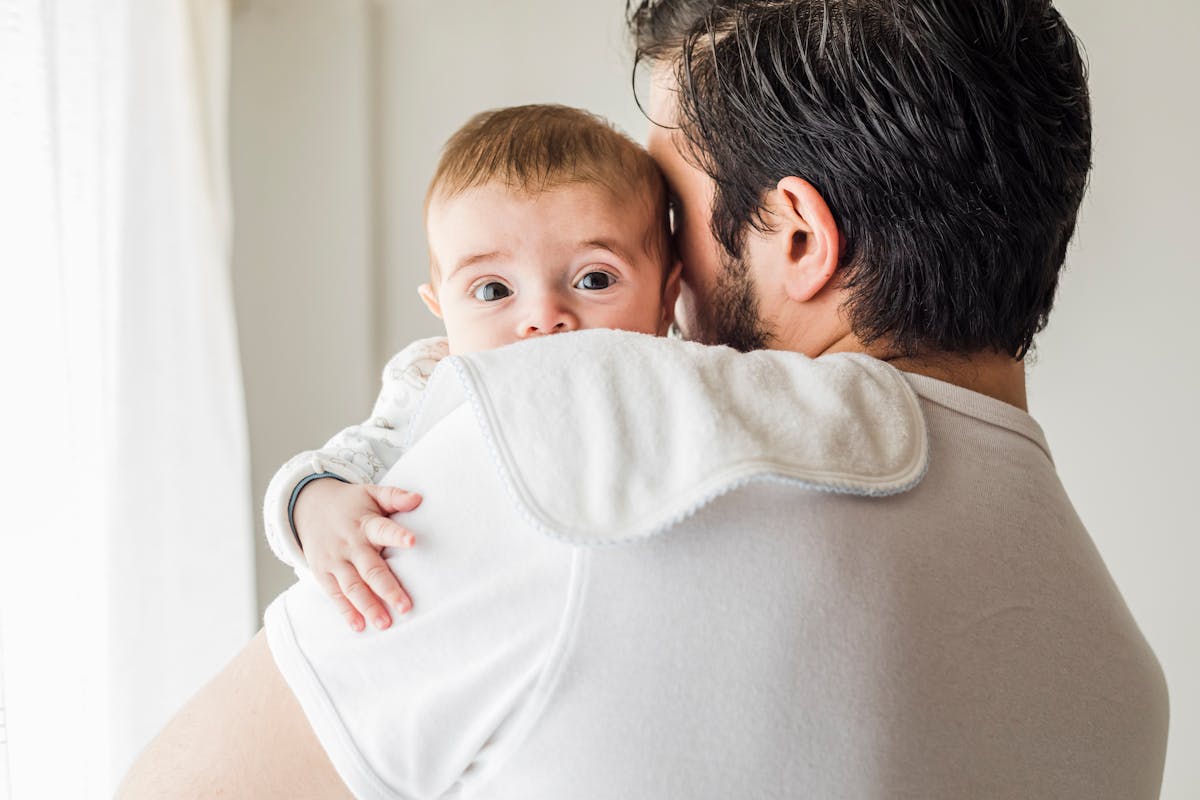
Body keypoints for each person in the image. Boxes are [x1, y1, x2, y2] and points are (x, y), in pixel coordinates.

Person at [118, 2, 1170, 798]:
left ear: (797, 238)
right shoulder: (1122, 680)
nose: (666, 257)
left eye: (672, 204)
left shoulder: (595, 433)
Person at [259, 103, 680, 635]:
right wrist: (316, 505)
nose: (543, 317)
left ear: (668, 299)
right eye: (493, 290)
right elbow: (351, 458)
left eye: (595, 280)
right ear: (441, 310)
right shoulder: (434, 383)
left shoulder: (678, 377)